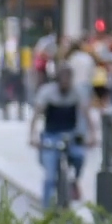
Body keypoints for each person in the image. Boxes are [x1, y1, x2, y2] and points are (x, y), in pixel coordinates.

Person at [29, 64, 89, 208]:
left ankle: (74, 180)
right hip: (51, 134)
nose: (66, 83)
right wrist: (33, 136)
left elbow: (85, 114)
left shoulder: (77, 92)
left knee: (79, 156)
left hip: (71, 134)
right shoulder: (47, 93)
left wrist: (90, 135)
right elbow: (36, 115)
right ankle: (46, 209)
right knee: (50, 175)